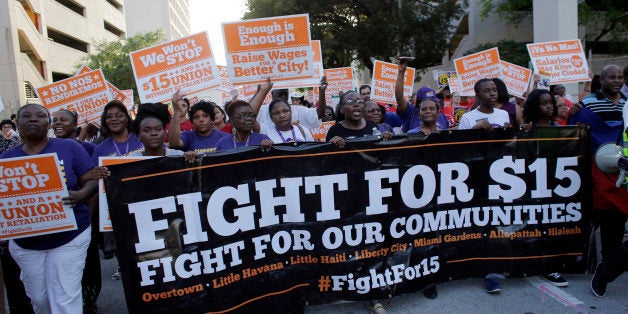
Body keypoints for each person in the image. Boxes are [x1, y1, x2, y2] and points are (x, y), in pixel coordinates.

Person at [1, 104, 98, 313]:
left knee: (64, 298)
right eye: (26, 116)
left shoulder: (69, 148)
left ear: (49, 124)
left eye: (40, 116)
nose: (33, 119)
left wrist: (81, 194)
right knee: (41, 300)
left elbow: (91, 181)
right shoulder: (5, 160)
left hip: (70, 236)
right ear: (17, 123)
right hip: (26, 242)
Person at [569, 64, 627, 270]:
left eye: (620, 77)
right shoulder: (586, 105)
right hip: (596, 170)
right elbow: (573, 134)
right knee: (601, 215)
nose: (617, 81)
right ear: (601, 79)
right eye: (612, 77)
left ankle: (610, 262)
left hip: (621, 170)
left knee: (617, 220)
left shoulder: (627, 105)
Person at [52, 109, 103, 312]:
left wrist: (88, 214)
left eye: (63, 120)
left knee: (87, 264)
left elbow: (91, 182)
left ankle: (89, 298)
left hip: (82, 217)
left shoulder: (88, 148)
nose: (58, 123)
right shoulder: (45, 149)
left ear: (75, 125)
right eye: (54, 120)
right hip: (54, 222)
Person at [395, 58, 449, 132]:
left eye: (432, 107)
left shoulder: (441, 116)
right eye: (424, 108)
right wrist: (401, 72)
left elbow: (447, 132)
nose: (428, 111)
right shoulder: (411, 112)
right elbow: (399, 98)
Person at [326, 90, 392, 147]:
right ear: (341, 109)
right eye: (350, 102)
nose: (356, 104)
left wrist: (385, 138)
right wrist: (331, 144)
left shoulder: (372, 125)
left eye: (360, 101)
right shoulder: (334, 131)